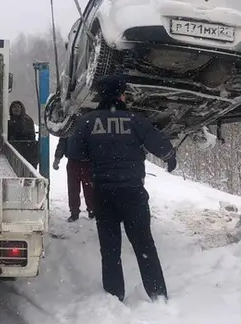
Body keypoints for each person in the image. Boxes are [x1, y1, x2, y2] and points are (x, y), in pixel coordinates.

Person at [67, 74, 177, 303]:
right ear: (120, 95)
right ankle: (157, 295)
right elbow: (161, 146)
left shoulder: (88, 121)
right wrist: (170, 157)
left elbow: (75, 153)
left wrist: (95, 153)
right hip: (133, 194)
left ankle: (114, 295)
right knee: (144, 244)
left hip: (103, 194)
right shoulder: (136, 120)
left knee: (110, 248)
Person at [53, 135, 95, 222]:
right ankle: (75, 212)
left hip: (87, 162)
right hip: (75, 162)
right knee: (74, 189)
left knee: (88, 189)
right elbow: (62, 142)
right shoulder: (70, 125)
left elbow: (62, 142)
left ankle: (91, 211)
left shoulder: (89, 124)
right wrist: (57, 158)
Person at [7, 100, 38, 167]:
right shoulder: (9, 121)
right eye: (14, 107)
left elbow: (27, 134)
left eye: (18, 107)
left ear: (22, 109)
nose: (16, 109)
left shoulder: (27, 120)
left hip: (27, 151)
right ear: (11, 109)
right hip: (14, 151)